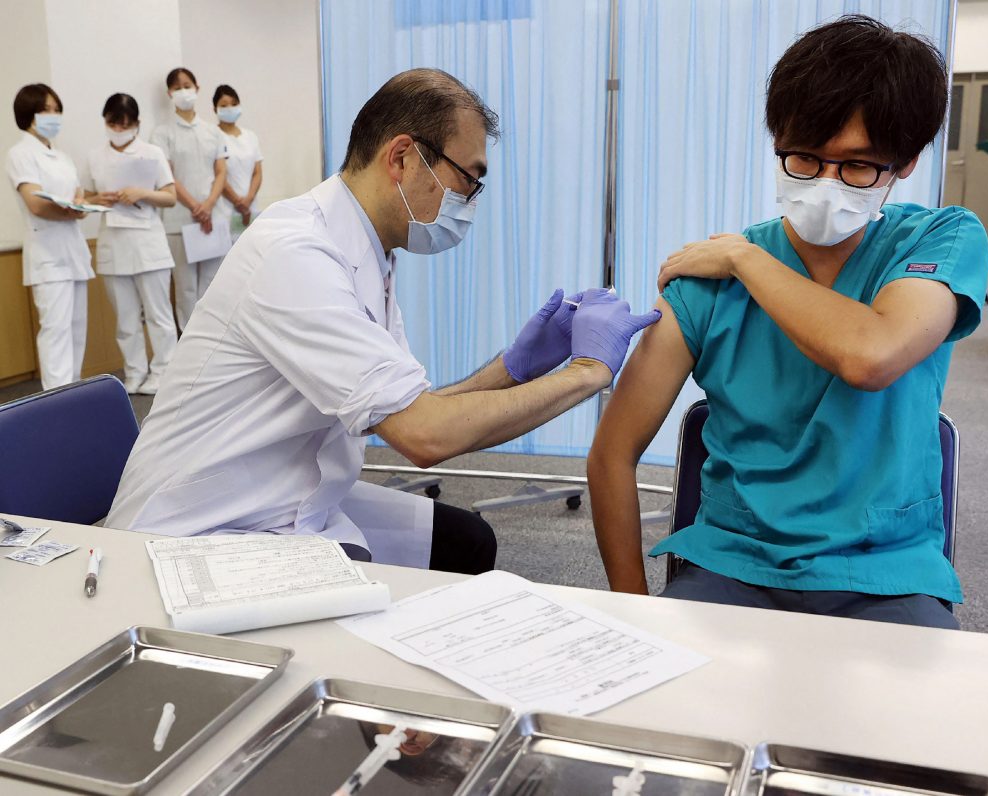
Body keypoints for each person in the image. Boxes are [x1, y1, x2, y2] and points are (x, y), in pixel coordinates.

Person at [106, 68, 659, 574]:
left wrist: (513, 368)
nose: (470, 200)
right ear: (401, 158)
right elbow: (422, 436)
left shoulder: (370, 255)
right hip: (200, 527)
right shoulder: (295, 252)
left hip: (289, 492)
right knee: (384, 607)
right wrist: (588, 371)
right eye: (468, 178)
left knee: (468, 541)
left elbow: (403, 409)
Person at [588, 15, 988, 629]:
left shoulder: (942, 238)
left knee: (920, 721)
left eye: (857, 166)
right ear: (777, 137)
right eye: (804, 157)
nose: (826, 184)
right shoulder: (704, 283)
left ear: (905, 163)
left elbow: (871, 355)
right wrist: (632, 615)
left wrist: (745, 260)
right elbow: (612, 454)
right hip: (731, 564)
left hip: (885, 572)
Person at [82, 93, 178, 395]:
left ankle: (164, 372)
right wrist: (100, 199)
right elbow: (84, 197)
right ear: (106, 121)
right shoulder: (94, 156)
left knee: (158, 314)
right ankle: (134, 372)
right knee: (125, 317)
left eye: (126, 124)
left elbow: (171, 196)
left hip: (148, 242)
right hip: (113, 241)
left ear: (137, 123)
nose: (120, 129)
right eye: (114, 123)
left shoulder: (151, 153)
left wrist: (142, 193)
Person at [5, 83, 93, 391]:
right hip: (47, 254)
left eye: (57, 110)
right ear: (28, 113)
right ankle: (56, 401)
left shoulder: (62, 156)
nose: (53, 116)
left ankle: (75, 396)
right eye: (45, 110)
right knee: (56, 330)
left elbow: (77, 195)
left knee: (76, 329)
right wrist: (70, 210)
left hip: (73, 250)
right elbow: (34, 203)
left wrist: (79, 206)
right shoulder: (20, 153)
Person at [150, 67, 228, 330]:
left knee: (213, 285)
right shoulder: (162, 133)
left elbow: (220, 172)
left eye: (188, 85)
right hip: (179, 222)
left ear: (197, 87)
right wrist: (195, 206)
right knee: (185, 289)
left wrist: (207, 206)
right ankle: (189, 340)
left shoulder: (213, 132)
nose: (184, 91)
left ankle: (213, 338)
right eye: (177, 87)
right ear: (170, 93)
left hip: (211, 219)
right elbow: (167, 175)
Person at [212, 84, 262, 241]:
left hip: (250, 207)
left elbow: (257, 172)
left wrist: (248, 199)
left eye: (234, 104)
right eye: (224, 105)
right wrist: (237, 201)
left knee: (250, 252)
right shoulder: (213, 136)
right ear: (215, 109)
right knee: (224, 258)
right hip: (224, 208)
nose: (230, 108)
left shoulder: (250, 136)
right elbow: (218, 173)